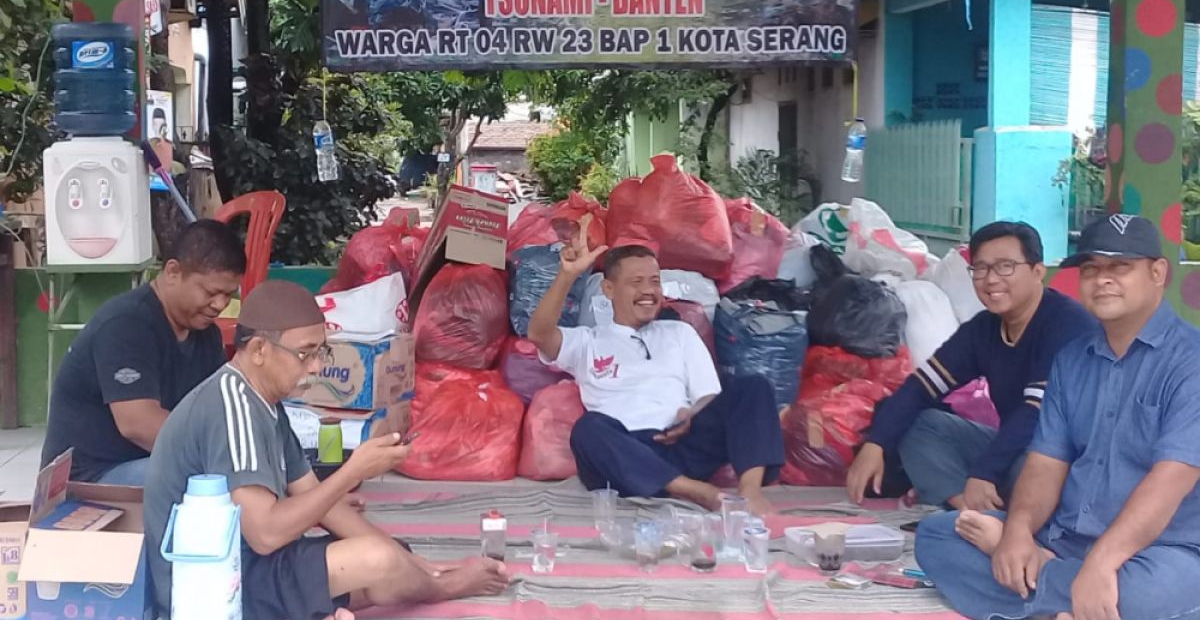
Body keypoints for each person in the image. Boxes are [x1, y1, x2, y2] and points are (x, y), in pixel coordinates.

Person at [145, 280, 509, 620]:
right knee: (377, 559)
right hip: (216, 586)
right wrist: (354, 471)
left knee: (391, 555)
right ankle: (444, 588)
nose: (316, 367)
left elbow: (318, 500)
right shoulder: (232, 406)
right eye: (305, 354)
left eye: (321, 352)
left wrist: (419, 564)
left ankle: (425, 577)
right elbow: (265, 534)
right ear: (258, 349)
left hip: (254, 564)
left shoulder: (266, 401)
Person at [915, 214, 1200, 620]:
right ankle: (1070, 601)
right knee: (936, 537)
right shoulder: (1072, 360)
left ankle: (1052, 587)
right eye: (1091, 269)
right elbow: (1046, 462)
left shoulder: (1191, 362)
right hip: (1066, 538)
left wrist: (1101, 564)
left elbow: (1169, 482)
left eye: (1120, 266)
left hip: (1160, 551)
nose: (1103, 279)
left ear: (1157, 273)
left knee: (1144, 593)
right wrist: (1016, 533)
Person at [527, 219, 785, 517]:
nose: (649, 291)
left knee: (753, 386)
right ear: (609, 289)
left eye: (654, 281)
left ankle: (750, 493)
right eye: (636, 282)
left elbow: (707, 395)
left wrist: (692, 413)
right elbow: (539, 334)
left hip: (682, 445)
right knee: (588, 429)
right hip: (626, 455)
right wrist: (567, 275)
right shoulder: (589, 341)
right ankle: (698, 492)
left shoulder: (680, 333)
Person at [846, 221, 1096, 511]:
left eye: (1005, 266)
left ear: (1037, 271)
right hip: (1013, 448)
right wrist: (876, 443)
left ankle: (999, 516)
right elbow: (920, 388)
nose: (991, 280)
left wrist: (985, 472)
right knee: (920, 424)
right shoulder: (983, 329)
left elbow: (1036, 415)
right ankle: (968, 511)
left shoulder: (1068, 325)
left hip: (1065, 458)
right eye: (981, 268)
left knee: (1034, 465)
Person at [41, 219, 246, 484]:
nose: (219, 304)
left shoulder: (207, 335)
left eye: (228, 295)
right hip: (89, 479)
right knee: (213, 480)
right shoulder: (127, 324)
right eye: (210, 292)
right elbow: (138, 425)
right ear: (173, 272)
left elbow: (220, 410)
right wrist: (223, 455)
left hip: (150, 464)